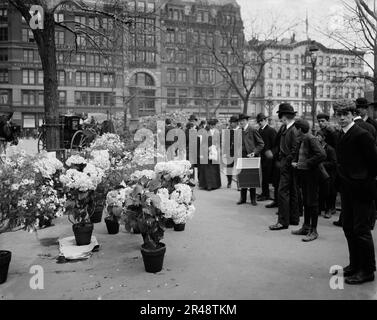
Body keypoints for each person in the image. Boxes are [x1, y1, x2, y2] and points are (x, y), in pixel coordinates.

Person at [333, 99, 377, 285]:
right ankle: (355, 264)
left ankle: (367, 270)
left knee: (361, 230)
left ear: (352, 114)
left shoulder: (362, 134)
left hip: (361, 190)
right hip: (348, 189)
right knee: (349, 228)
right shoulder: (341, 134)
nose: (342, 118)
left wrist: (365, 185)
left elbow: (374, 164)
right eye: (339, 115)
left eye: (346, 114)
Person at [291, 119, 326, 241]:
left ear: (299, 129)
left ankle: (314, 230)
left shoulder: (311, 138)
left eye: (295, 129)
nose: (294, 131)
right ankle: (306, 227)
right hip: (305, 175)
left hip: (312, 175)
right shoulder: (303, 139)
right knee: (306, 201)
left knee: (313, 202)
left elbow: (322, 154)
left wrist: (306, 163)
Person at [269, 103, 300, 230]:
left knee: (283, 192)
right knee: (292, 191)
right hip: (289, 164)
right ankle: (293, 218)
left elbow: (294, 150)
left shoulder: (291, 130)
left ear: (284, 117)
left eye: (280, 116)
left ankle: (282, 221)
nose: (279, 119)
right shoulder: (289, 128)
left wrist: (284, 163)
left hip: (287, 165)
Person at [237, 113, 264, 206]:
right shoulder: (239, 131)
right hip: (242, 157)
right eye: (240, 121)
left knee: (252, 178)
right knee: (243, 178)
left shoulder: (252, 130)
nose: (241, 122)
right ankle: (243, 199)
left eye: (243, 121)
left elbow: (261, 143)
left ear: (247, 121)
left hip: (251, 157)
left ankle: (253, 199)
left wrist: (254, 152)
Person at [316, 130, 338, 219]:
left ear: (324, 138)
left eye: (319, 136)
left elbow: (334, 163)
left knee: (328, 193)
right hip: (319, 174)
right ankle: (320, 208)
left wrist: (322, 164)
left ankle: (328, 210)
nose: (317, 137)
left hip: (328, 175)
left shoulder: (330, 149)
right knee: (320, 192)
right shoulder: (317, 147)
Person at [256, 113, 277, 201]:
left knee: (267, 177)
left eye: (261, 120)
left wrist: (271, 153)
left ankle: (266, 194)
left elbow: (276, 144)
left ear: (265, 120)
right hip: (262, 157)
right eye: (258, 121)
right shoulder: (259, 130)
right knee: (263, 176)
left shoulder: (271, 130)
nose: (260, 122)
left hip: (269, 158)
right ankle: (264, 193)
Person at [197, 119, 221, 191]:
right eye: (211, 125)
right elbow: (202, 142)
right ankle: (207, 185)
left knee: (214, 168)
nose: (213, 126)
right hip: (206, 151)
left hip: (214, 151)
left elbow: (218, 142)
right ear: (209, 125)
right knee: (207, 169)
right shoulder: (205, 131)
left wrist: (215, 147)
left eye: (214, 125)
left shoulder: (217, 131)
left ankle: (215, 184)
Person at [224, 115, 239, 188]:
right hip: (229, 152)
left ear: (236, 123)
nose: (230, 124)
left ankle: (239, 184)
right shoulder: (228, 130)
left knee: (238, 168)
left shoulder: (240, 130)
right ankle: (229, 182)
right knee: (229, 168)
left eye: (232, 122)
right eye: (230, 122)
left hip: (238, 153)